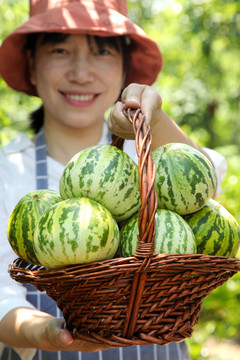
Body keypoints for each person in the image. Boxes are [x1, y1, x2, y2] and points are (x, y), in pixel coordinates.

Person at [0, 0, 227, 359]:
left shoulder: (146, 159)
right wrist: (46, 331)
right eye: (60, 49)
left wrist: (153, 119)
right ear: (31, 63)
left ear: (124, 67)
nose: (80, 72)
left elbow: (206, 185)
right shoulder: (8, 171)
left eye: (101, 51)